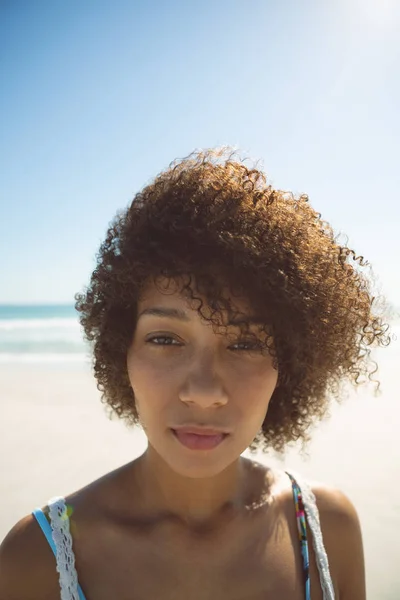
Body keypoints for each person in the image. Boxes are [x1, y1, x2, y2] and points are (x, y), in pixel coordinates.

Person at [0, 147, 391, 599]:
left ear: (293, 364)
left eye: (245, 344)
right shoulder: (34, 559)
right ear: (119, 350)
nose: (204, 392)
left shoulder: (330, 528)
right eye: (165, 339)